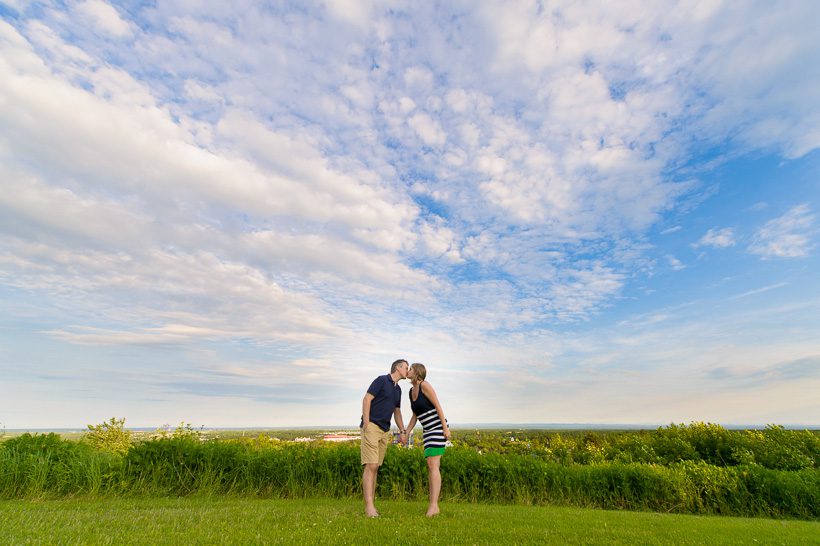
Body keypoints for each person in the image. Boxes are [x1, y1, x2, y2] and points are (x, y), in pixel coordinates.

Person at [360, 358, 409, 517]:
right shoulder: (381, 380)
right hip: (372, 426)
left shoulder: (398, 390)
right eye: (406, 368)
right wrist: (366, 423)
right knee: (371, 466)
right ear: (398, 367)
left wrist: (403, 431)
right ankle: (369, 508)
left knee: (376, 467)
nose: (408, 371)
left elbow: (397, 412)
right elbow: (367, 398)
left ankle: (371, 505)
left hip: (384, 430)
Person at [406, 362, 450, 517]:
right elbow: (415, 415)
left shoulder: (425, 385)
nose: (408, 371)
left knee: (433, 464)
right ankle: (433, 505)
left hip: (438, 428)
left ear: (417, 372)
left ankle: (434, 506)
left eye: (410, 369)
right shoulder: (411, 391)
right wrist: (406, 432)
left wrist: (445, 428)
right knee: (431, 466)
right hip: (427, 431)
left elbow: (438, 406)